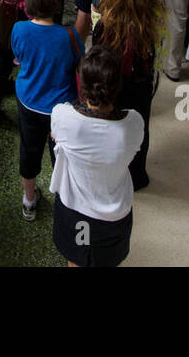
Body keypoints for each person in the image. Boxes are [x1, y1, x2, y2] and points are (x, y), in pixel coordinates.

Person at [49, 48, 144, 267]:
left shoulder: (63, 117)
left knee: (75, 260)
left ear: (82, 84)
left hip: (74, 210)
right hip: (114, 216)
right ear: (118, 85)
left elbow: (57, 132)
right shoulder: (134, 123)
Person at [89, 0, 164, 190]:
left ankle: (111, 173)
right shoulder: (155, 3)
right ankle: (137, 174)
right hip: (141, 76)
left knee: (109, 122)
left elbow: (95, 34)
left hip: (110, 74)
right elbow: (162, 38)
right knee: (139, 125)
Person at [12, 0, 82, 221]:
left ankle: (28, 200)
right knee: (62, 156)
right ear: (56, 4)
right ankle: (65, 203)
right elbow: (79, 64)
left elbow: (18, 57)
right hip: (62, 108)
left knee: (29, 151)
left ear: (28, 5)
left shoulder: (19, 30)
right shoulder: (70, 35)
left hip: (29, 101)